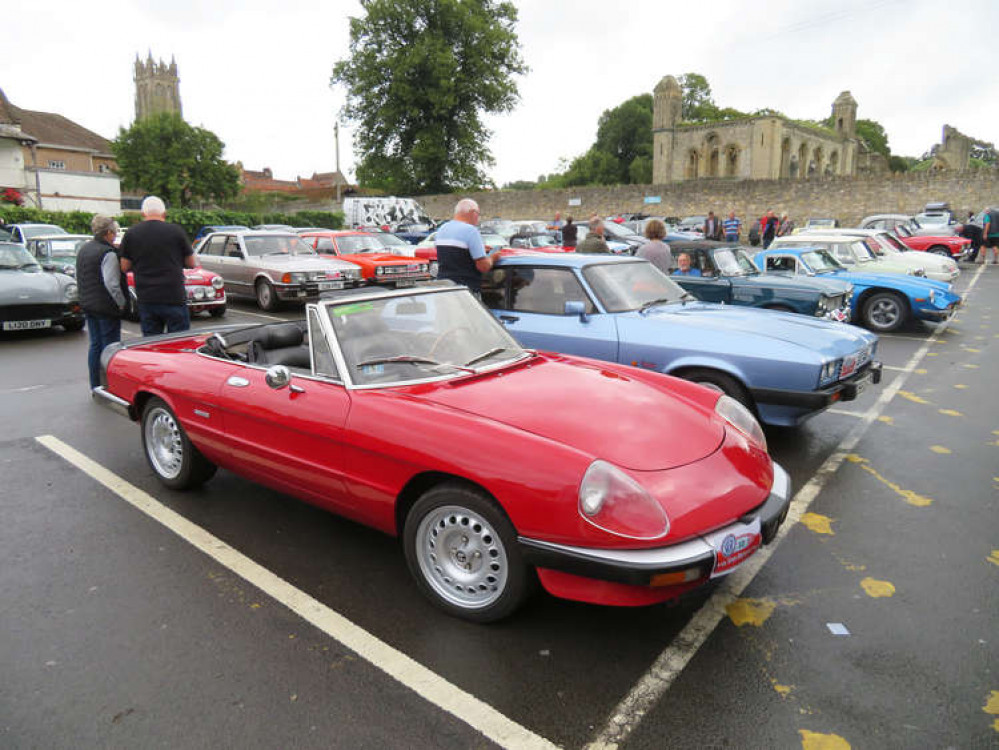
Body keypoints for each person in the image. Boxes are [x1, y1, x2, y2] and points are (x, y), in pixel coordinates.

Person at [119, 196, 196, 336]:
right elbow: (191, 262)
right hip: (174, 296)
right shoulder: (176, 231)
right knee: (178, 342)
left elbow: (124, 266)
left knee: (152, 344)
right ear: (164, 213)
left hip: (147, 297)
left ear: (143, 214)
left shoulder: (131, 233)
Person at [76, 214, 127, 392]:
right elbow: (111, 283)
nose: (115, 236)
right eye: (114, 232)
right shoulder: (108, 253)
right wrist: (121, 302)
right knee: (110, 347)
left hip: (88, 304)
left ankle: (95, 384)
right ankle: (109, 386)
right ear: (108, 233)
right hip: (105, 307)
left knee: (95, 344)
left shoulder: (84, 249)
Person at [434, 198, 500, 297]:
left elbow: (451, 255)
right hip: (465, 292)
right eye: (478, 214)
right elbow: (483, 266)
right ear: (473, 212)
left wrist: (477, 249)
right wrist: (493, 257)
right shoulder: (471, 231)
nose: (478, 218)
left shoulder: (442, 229)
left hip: (444, 290)